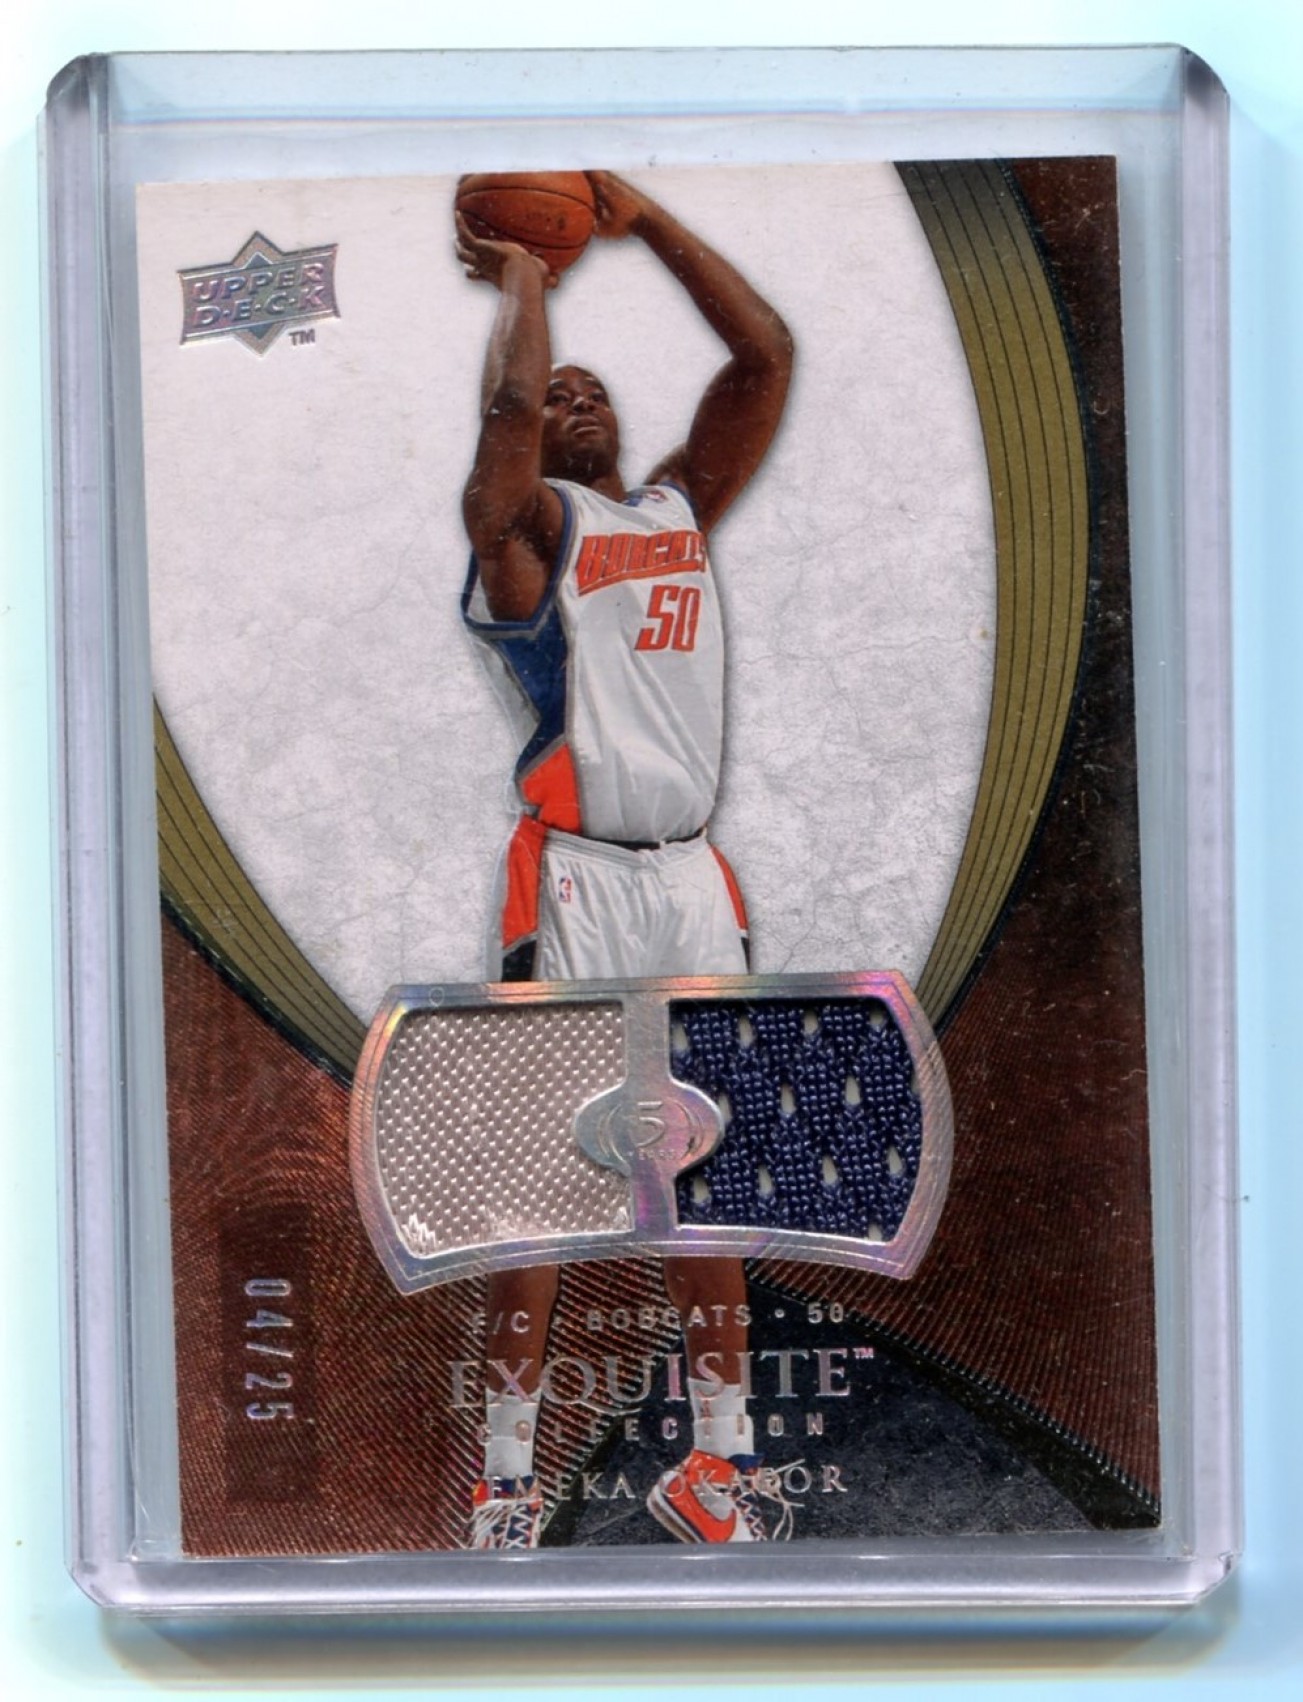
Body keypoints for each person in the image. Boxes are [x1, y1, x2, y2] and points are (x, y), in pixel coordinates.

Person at [455, 171, 793, 1550]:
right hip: (579, 883)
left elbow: (763, 355)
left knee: (699, 1174)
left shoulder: (675, 512)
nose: (574, 395)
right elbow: (504, 424)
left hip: (692, 879)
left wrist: (646, 223)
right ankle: (505, 1485)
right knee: (546, 1189)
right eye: (558, 395)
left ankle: (718, 1466)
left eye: (595, 388)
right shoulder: (527, 543)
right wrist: (527, 281)